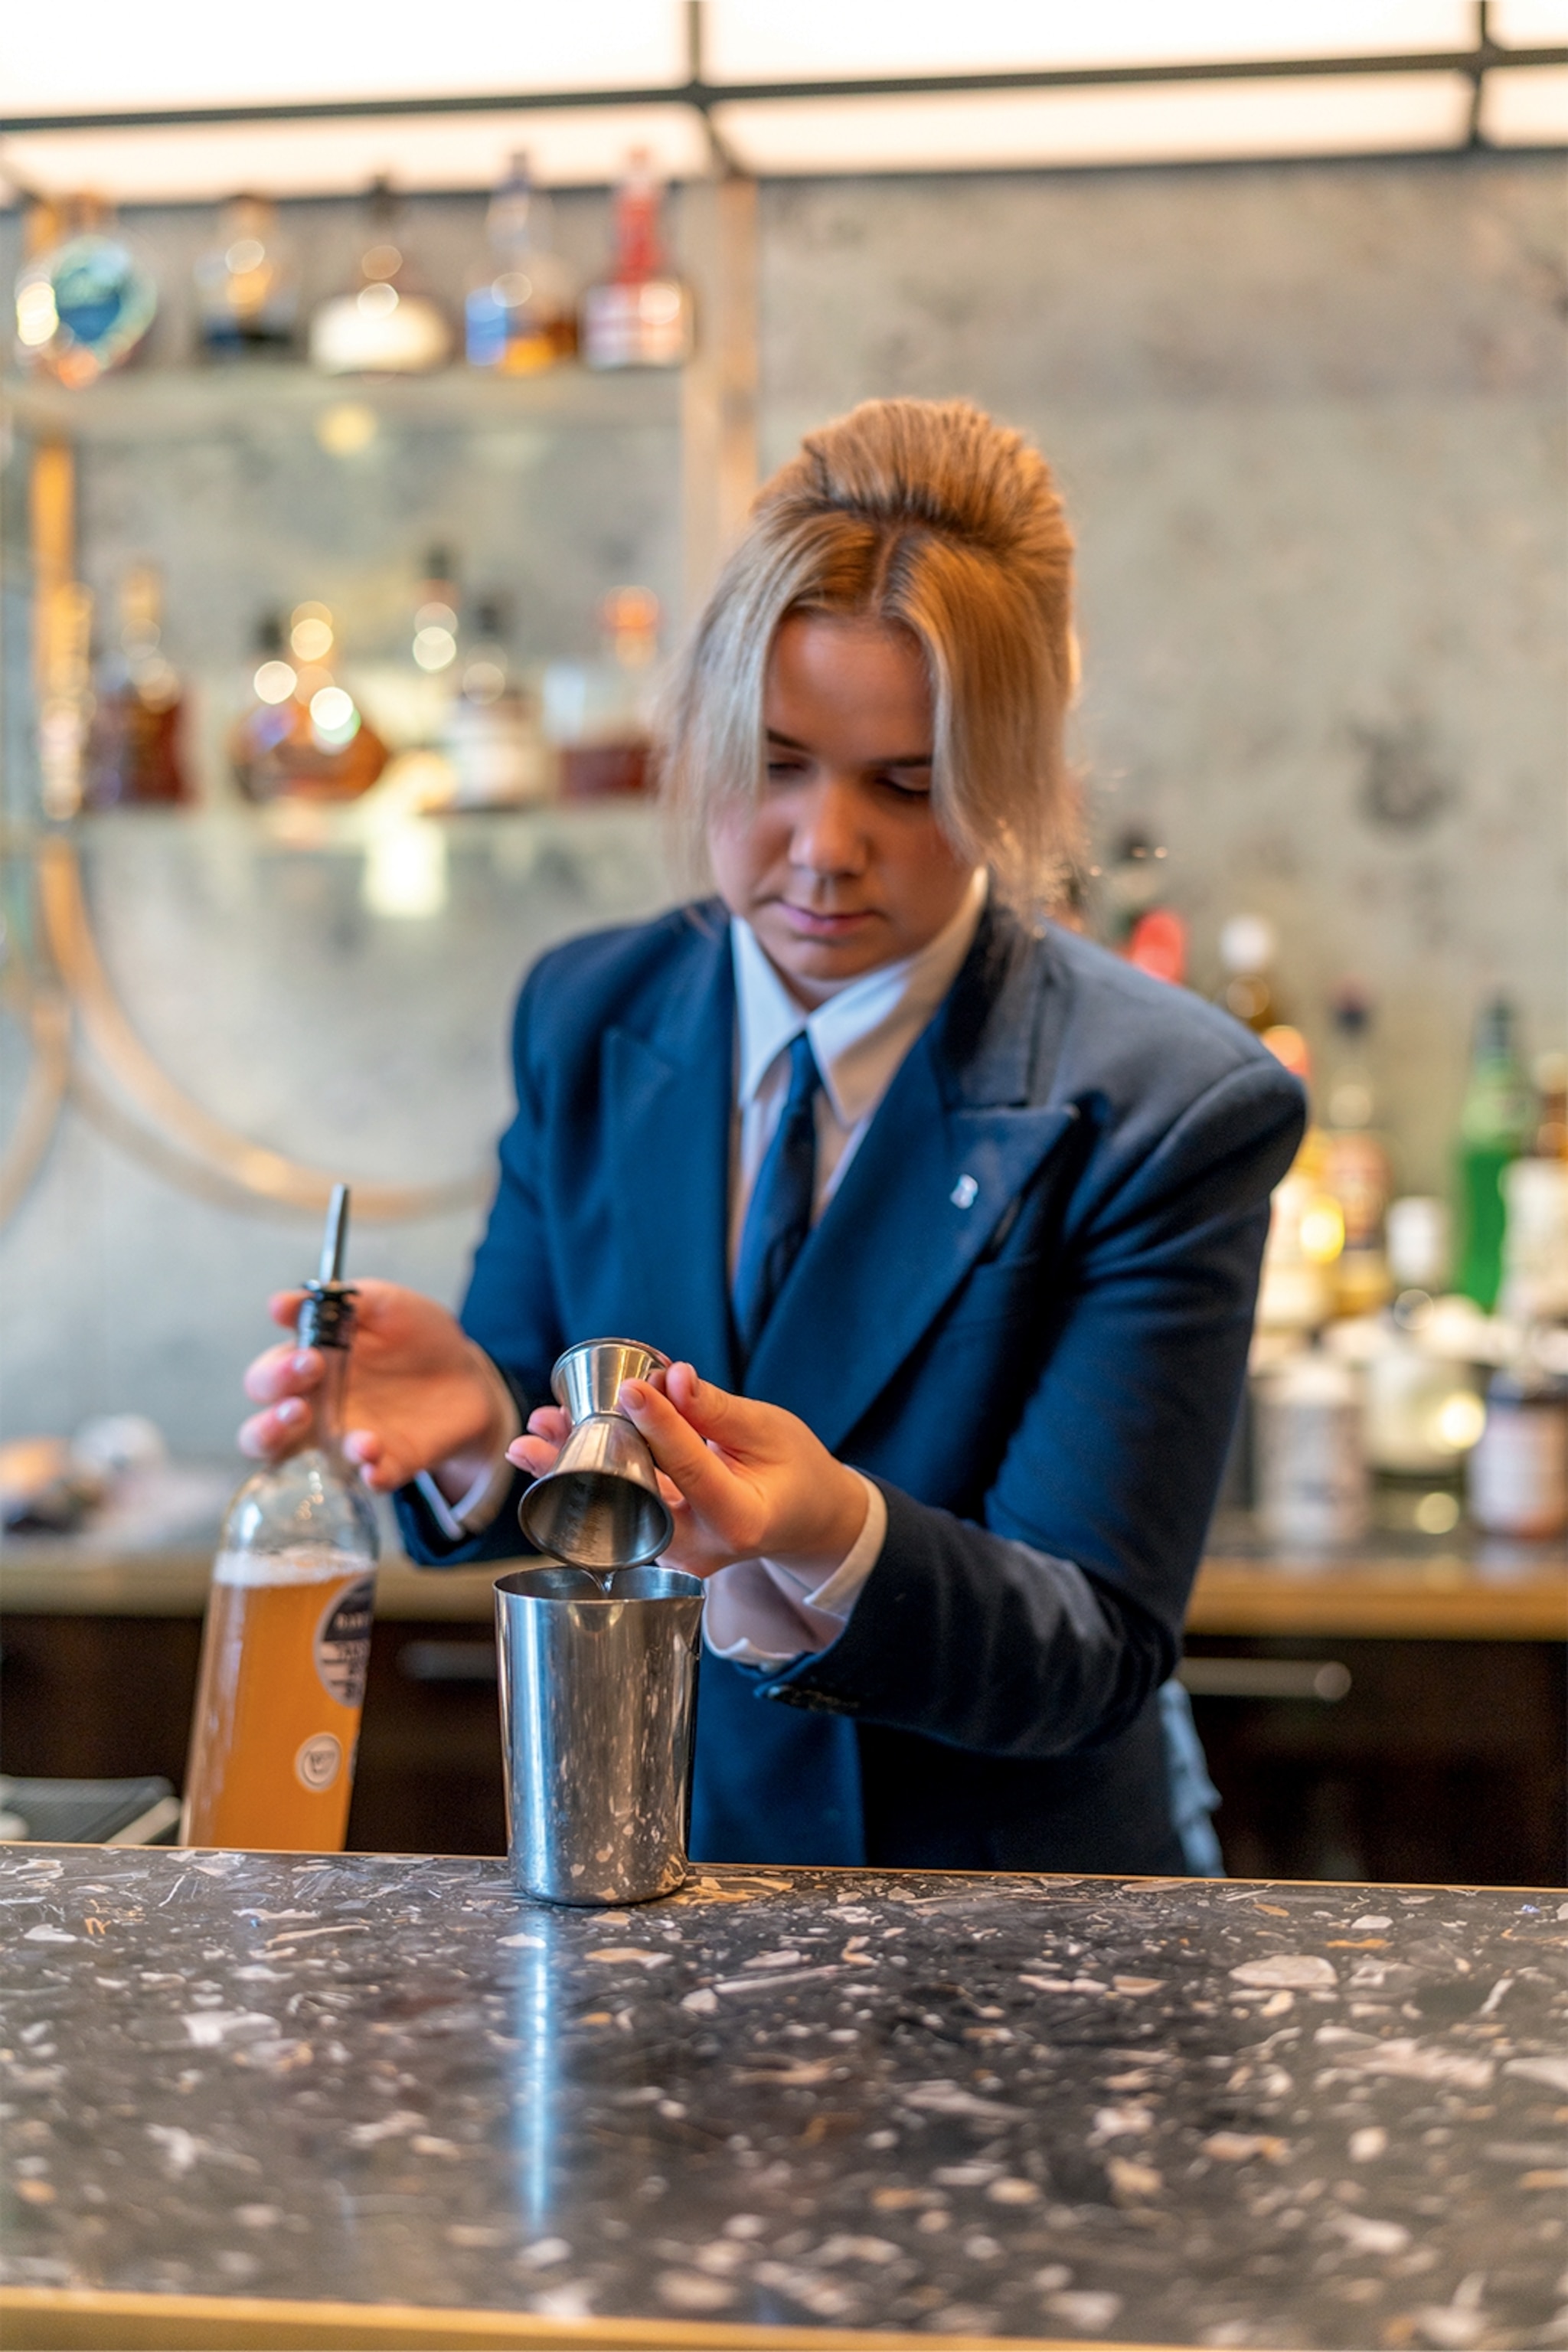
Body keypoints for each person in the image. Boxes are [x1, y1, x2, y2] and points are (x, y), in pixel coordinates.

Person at [243, 397, 1304, 1875]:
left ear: (1012, 765)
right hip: (667, 1878)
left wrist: (836, 1534)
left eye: (908, 785)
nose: (822, 844)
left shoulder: (1167, 1103)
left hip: (1014, 1944)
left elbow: (1094, 1644)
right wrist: (484, 1431)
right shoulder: (592, 1012)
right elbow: (555, 1441)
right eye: (778, 759)